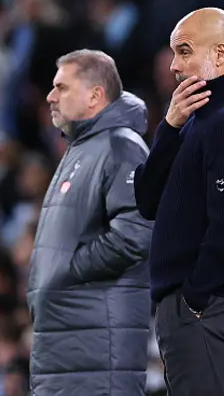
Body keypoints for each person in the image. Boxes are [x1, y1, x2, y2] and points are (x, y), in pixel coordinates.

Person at [134, 8, 224, 395]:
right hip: (187, 305)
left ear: (220, 54)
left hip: (202, 306)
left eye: (185, 51)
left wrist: (195, 298)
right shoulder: (195, 118)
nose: (174, 65)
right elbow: (146, 200)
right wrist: (170, 127)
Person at [26, 49, 153, 396]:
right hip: (68, 344)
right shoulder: (81, 150)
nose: (51, 96)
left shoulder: (121, 146)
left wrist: (68, 270)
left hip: (97, 349)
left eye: (62, 88)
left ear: (95, 95)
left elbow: (135, 235)